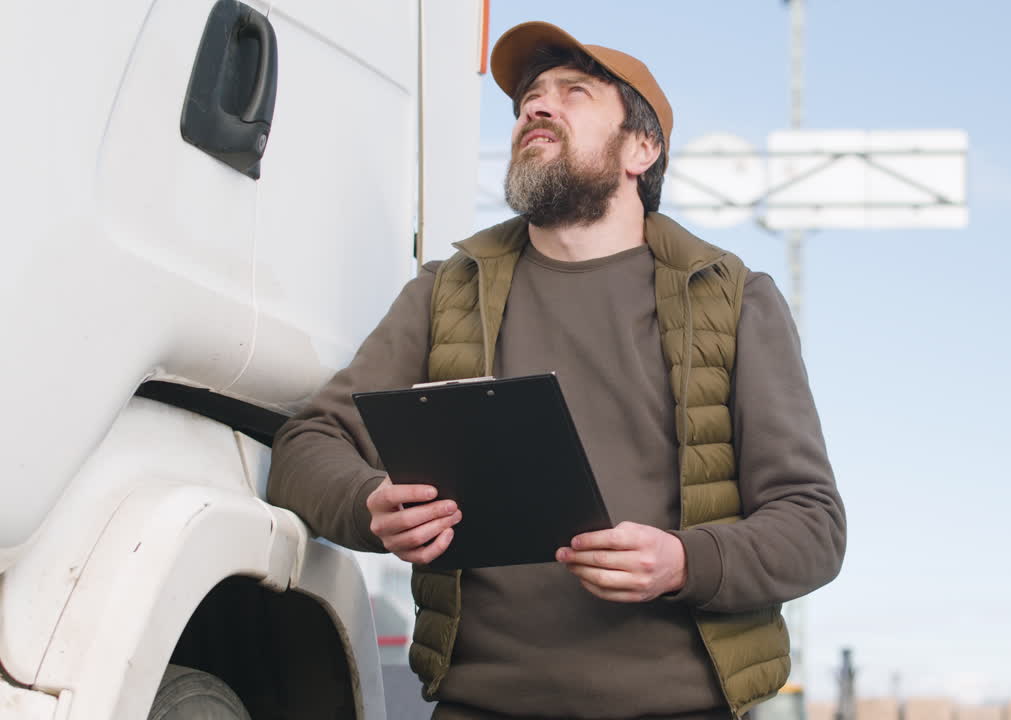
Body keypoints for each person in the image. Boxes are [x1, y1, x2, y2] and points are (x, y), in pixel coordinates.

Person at [267, 20, 845, 720]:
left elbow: (812, 526)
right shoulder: (447, 291)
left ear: (643, 148)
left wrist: (685, 562)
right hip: (478, 706)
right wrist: (369, 504)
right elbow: (305, 447)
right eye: (528, 98)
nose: (536, 107)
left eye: (573, 92)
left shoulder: (732, 299)